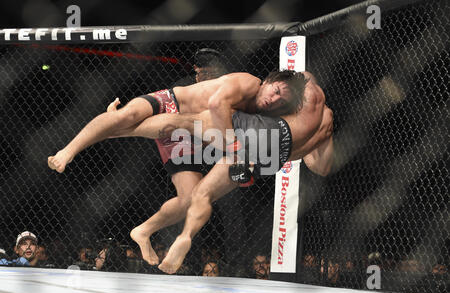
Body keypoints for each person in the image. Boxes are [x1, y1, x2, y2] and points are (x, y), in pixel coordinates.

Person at [48, 69, 307, 266]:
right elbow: (217, 105)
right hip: (171, 103)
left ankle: (143, 231)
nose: (273, 99)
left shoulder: (268, 116)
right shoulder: (248, 83)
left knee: (189, 199)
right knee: (125, 118)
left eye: (281, 99)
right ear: (268, 80)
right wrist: (235, 149)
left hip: (189, 135)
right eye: (275, 90)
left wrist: (239, 153)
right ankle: (69, 150)